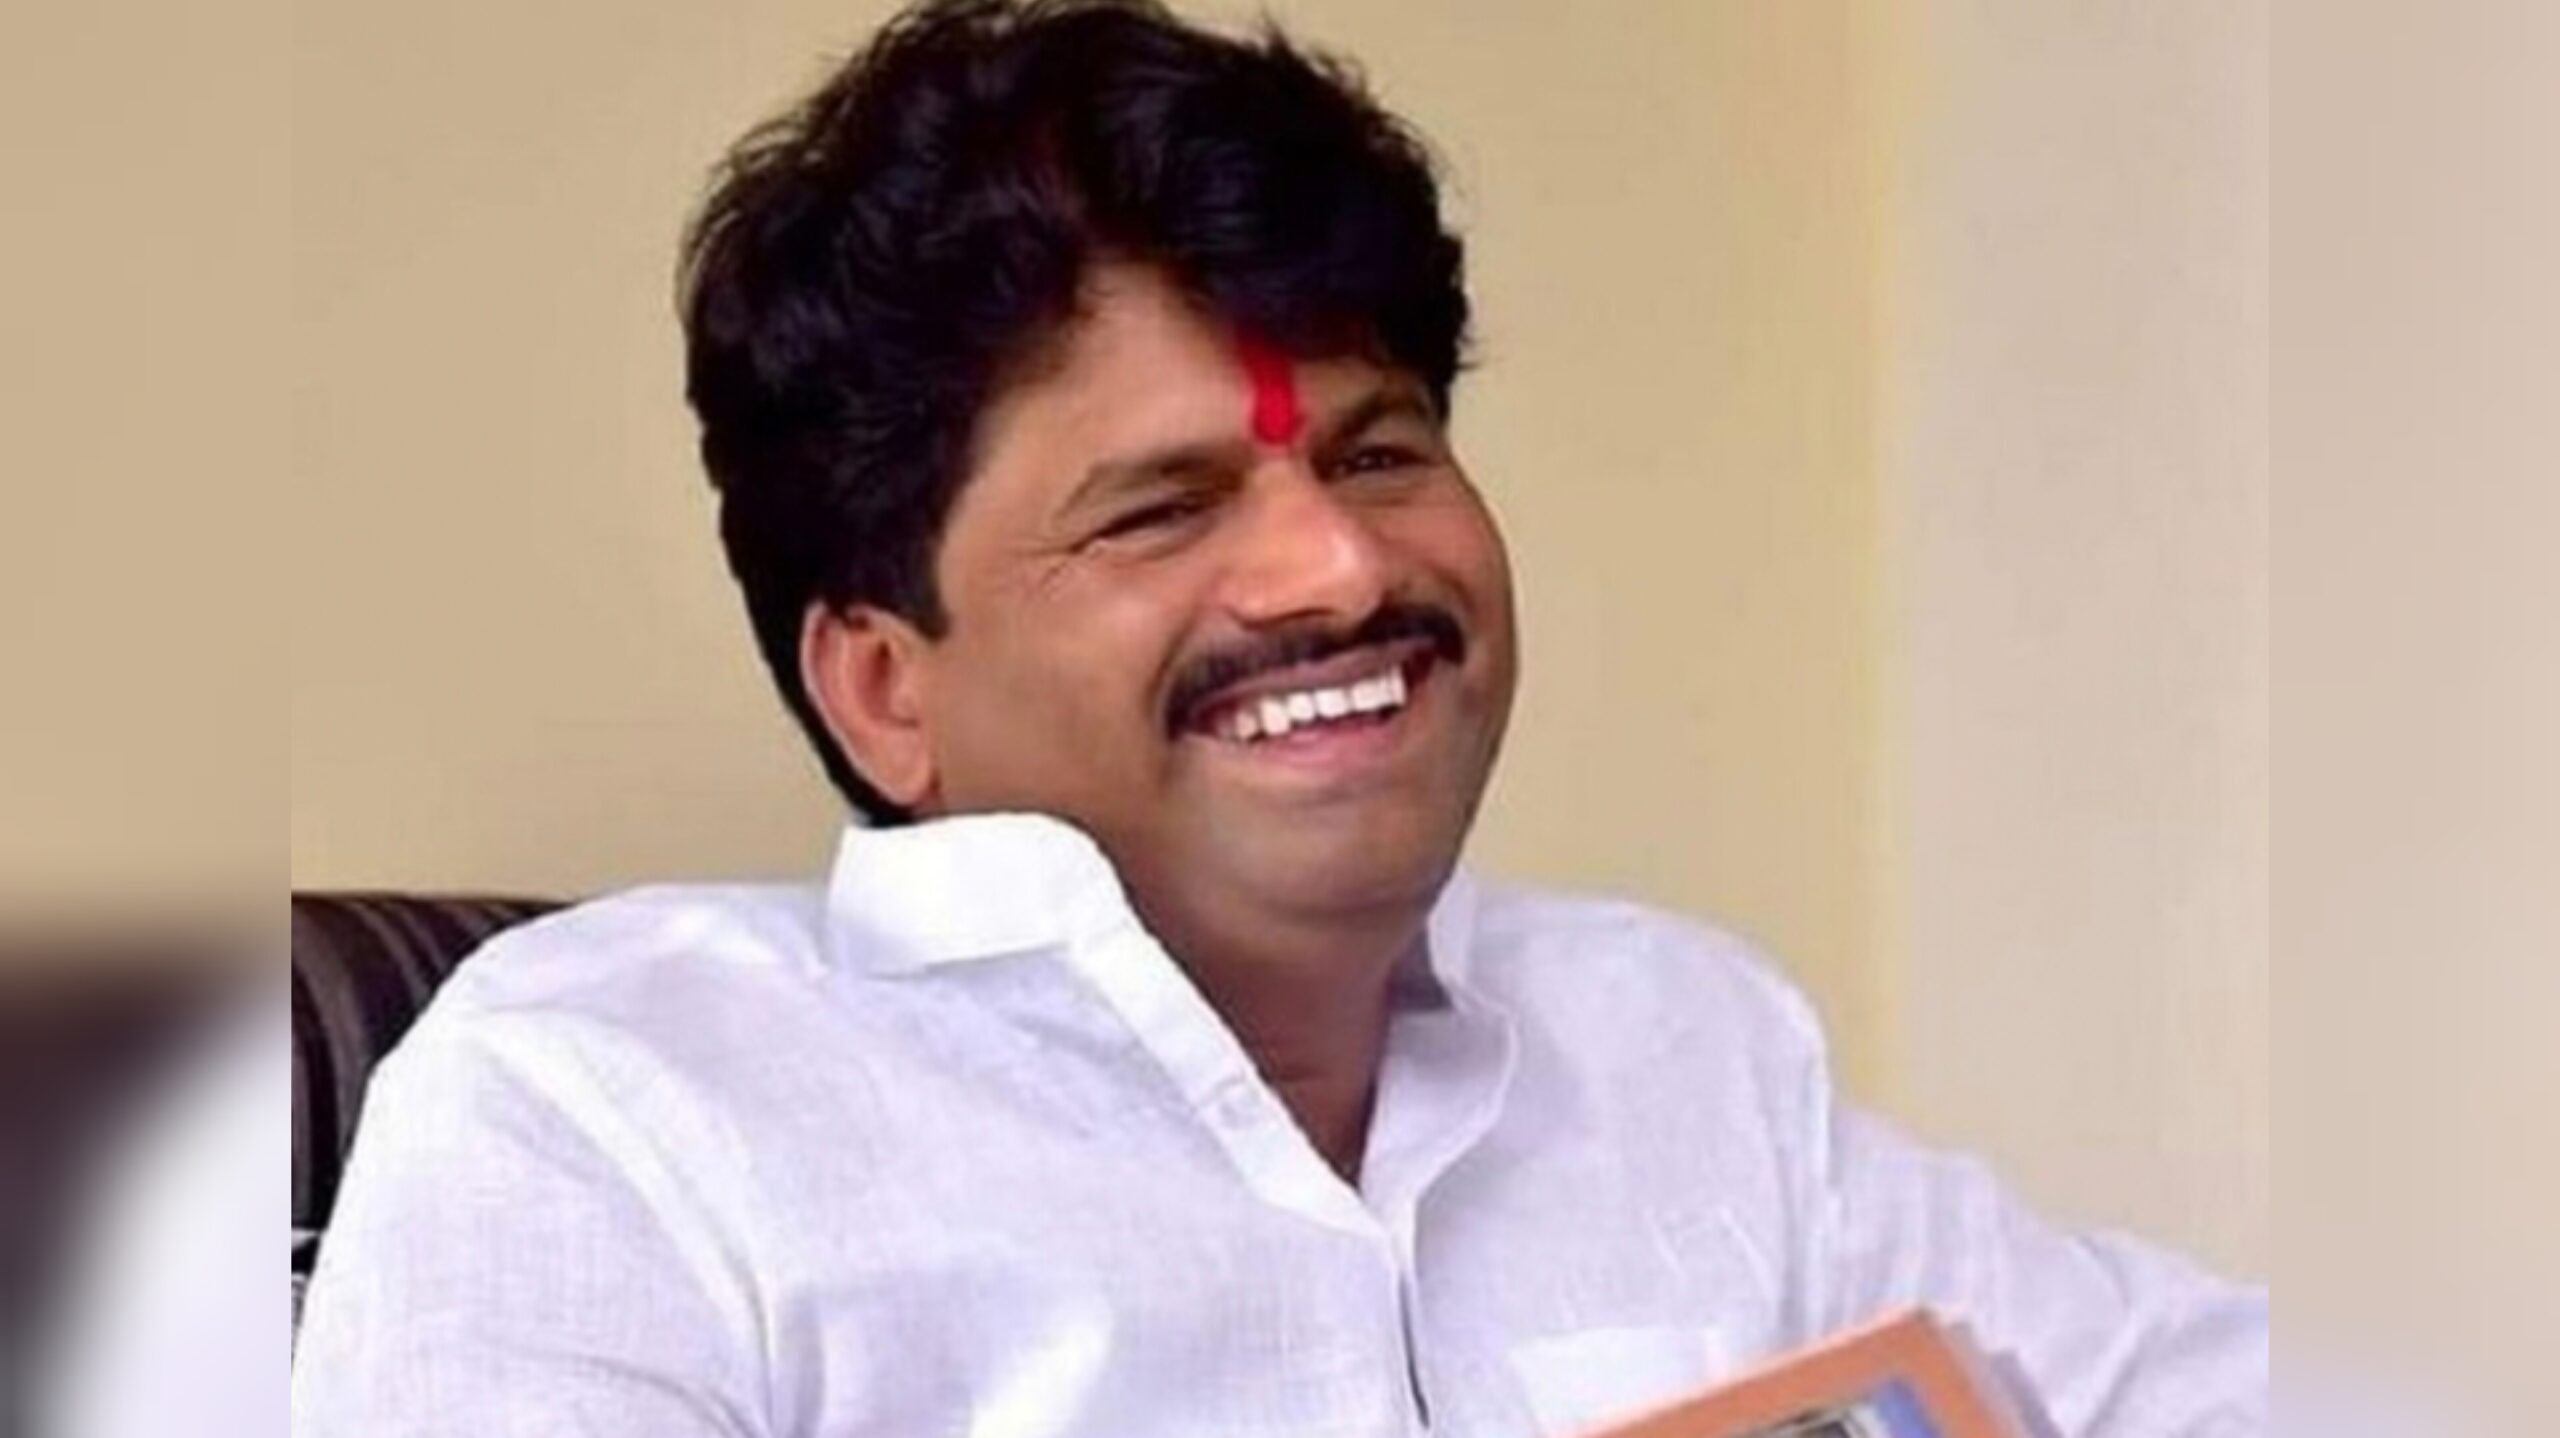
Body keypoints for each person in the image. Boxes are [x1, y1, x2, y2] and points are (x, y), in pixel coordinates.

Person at [291, 2, 2268, 1433]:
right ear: (886, 686)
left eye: (1380, 450)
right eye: (1159, 509)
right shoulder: (616, 1111)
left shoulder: (1682, 1047)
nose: (1333, 565)